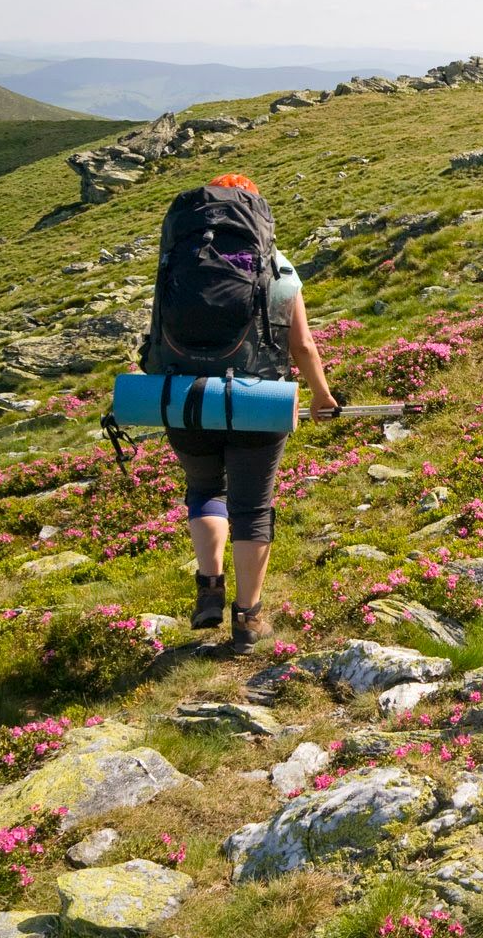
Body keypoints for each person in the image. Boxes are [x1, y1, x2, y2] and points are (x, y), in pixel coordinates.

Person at [154, 173, 338, 653]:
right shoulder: (276, 267)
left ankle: (209, 589)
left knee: (204, 489)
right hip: (256, 397)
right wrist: (320, 395)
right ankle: (248, 618)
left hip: (185, 396)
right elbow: (301, 344)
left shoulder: (179, 259)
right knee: (252, 507)